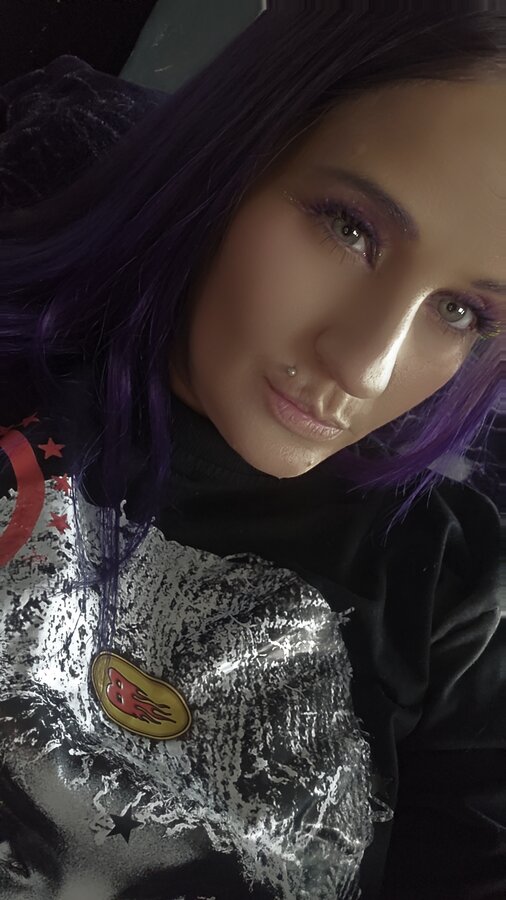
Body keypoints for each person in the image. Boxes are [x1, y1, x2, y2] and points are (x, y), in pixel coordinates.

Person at [0, 7, 504, 900]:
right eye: (350, 228)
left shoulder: (454, 590)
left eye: (462, 311)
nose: (364, 367)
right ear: (233, 154)